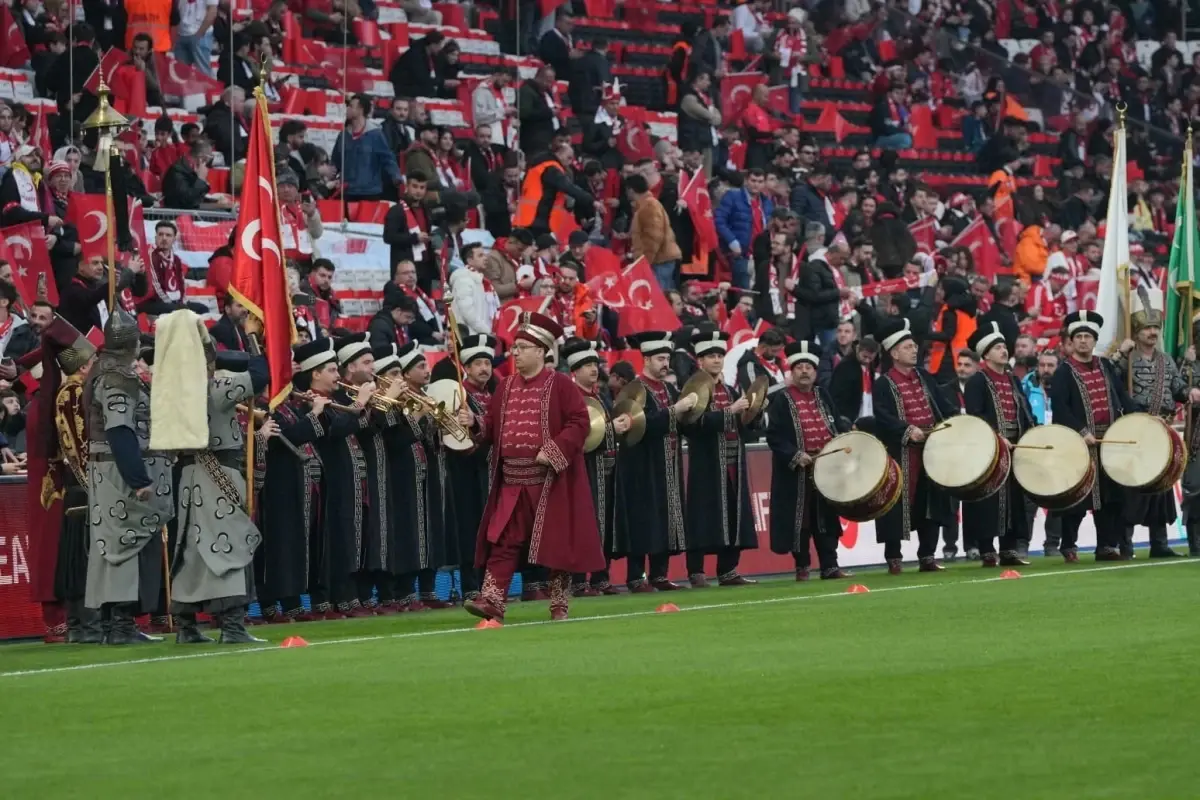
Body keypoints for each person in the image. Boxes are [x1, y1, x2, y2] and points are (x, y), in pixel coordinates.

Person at [461, 312, 606, 623]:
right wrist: (474, 422)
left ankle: (559, 605)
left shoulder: (562, 385)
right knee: (503, 541)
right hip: (512, 480)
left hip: (549, 481)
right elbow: (490, 426)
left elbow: (580, 422)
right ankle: (493, 601)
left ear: (541, 351)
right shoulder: (505, 386)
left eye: (522, 347)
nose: (515, 353)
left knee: (557, 545)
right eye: (514, 347)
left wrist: (553, 450)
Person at [148, 310, 270, 644]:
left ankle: (187, 626)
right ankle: (232, 627)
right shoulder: (213, 388)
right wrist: (253, 336)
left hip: (189, 475)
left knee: (192, 549)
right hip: (218, 474)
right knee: (228, 544)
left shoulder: (170, 391)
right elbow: (261, 375)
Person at [83, 310, 174, 644]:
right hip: (119, 473)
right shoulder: (117, 378)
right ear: (132, 344)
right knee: (125, 541)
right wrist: (138, 478)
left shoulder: (105, 370)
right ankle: (120, 626)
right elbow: (120, 429)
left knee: (117, 542)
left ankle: (115, 626)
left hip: (112, 469)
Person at [28, 318, 99, 643]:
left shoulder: (65, 394)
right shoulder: (70, 395)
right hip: (77, 487)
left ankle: (80, 622)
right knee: (76, 555)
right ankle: (79, 622)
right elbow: (78, 445)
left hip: (74, 487)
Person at [1111, 295, 1200, 558]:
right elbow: (1109, 377)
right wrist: (1120, 354)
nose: (1152, 332)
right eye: (1147, 328)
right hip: (1135, 430)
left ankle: (1159, 542)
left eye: (1155, 328)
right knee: (1132, 486)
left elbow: (1178, 388)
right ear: (1137, 332)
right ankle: (1125, 544)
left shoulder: (1166, 360)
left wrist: (1190, 390)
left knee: (1161, 486)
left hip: (1162, 432)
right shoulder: (1127, 358)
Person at [612, 331, 698, 591]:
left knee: (666, 518)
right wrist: (675, 411)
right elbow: (639, 425)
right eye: (660, 359)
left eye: (667, 359)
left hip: (669, 463)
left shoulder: (670, 389)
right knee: (642, 518)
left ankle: (659, 574)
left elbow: (680, 423)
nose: (665, 364)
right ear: (646, 359)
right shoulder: (634, 389)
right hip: (642, 465)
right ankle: (636, 577)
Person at [872, 317, 958, 574]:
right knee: (894, 504)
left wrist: (956, 421)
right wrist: (907, 430)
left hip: (931, 451)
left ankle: (927, 555)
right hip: (900, 453)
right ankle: (894, 557)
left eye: (914, 346)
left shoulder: (925, 377)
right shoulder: (884, 383)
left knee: (932, 504)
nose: (914, 350)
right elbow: (882, 416)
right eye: (908, 347)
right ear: (894, 353)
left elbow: (942, 405)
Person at [765, 340, 854, 580]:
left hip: (826, 469)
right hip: (797, 472)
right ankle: (802, 566)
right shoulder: (782, 399)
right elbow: (774, 436)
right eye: (799, 367)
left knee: (827, 520)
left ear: (815, 372)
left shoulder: (823, 395)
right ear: (791, 371)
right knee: (800, 522)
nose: (804, 372)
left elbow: (836, 422)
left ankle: (830, 566)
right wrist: (796, 455)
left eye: (808, 367)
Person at [1050, 311, 1134, 562]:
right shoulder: (1064, 372)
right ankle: (1068, 546)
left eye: (1088, 336)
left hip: (1108, 443)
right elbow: (1060, 408)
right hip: (1079, 443)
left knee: (1110, 498)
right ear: (1071, 341)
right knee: (1076, 498)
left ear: (1095, 340)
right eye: (1079, 337)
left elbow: (1122, 397)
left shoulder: (1105, 366)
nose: (1083, 341)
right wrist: (1082, 431)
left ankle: (1106, 546)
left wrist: (1142, 418)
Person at [680, 330, 760, 587]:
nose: (716, 360)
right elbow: (692, 425)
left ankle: (728, 570)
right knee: (702, 515)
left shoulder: (728, 389)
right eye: (710, 356)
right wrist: (729, 411)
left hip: (733, 461)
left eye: (719, 355)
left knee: (734, 513)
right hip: (707, 463)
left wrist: (753, 412)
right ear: (700, 361)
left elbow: (741, 424)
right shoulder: (693, 389)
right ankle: (696, 571)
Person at [378, 342, 454, 610]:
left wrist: (434, 419)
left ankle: (428, 589)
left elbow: (426, 436)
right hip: (400, 476)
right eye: (394, 374)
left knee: (430, 530)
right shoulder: (386, 403)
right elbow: (396, 439)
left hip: (426, 473)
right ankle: (405, 592)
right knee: (408, 534)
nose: (399, 379)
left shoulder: (414, 397)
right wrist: (420, 416)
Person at [962, 322, 1035, 568]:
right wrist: (995, 436)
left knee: (1013, 499)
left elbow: (1024, 410)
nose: (1004, 351)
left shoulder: (1012, 379)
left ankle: (1009, 549)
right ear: (985, 355)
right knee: (988, 500)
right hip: (989, 449)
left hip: (1014, 446)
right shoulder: (977, 381)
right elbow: (975, 415)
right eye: (997, 348)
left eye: (1004, 346)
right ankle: (986, 550)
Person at [562, 338, 628, 595]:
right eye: (587, 365)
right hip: (584, 468)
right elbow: (579, 435)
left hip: (606, 467)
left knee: (606, 521)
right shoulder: (572, 398)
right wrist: (611, 429)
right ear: (575, 370)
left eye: (594, 364)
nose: (593, 369)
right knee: (584, 523)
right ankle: (579, 581)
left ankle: (601, 576)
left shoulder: (599, 396)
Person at [433, 334, 496, 601]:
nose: (484, 368)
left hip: (492, 471)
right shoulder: (456, 394)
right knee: (471, 529)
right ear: (466, 367)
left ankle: (491, 585)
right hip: (466, 472)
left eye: (487, 363)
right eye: (478, 363)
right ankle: (471, 585)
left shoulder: (495, 394)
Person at [332, 94, 403, 205]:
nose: (347, 109)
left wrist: (396, 176)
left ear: (360, 110)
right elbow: (336, 161)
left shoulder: (376, 134)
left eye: (351, 106)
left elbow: (387, 158)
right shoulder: (343, 135)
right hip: (347, 191)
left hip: (370, 192)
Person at [514, 141, 594, 238]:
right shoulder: (551, 168)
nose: (570, 162)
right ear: (559, 153)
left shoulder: (539, 166)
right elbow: (568, 187)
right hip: (537, 218)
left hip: (528, 216)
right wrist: (590, 200)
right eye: (568, 157)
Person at [629, 173, 683, 291]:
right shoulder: (644, 205)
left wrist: (645, 261)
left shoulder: (649, 206)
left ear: (631, 190)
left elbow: (654, 237)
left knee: (660, 295)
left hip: (660, 260)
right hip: (658, 259)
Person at [828, 335, 878, 423]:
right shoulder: (845, 366)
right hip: (849, 416)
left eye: (870, 358)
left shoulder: (870, 367)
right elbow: (836, 394)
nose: (867, 360)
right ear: (858, 350)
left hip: (867, 411)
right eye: (864, 356)